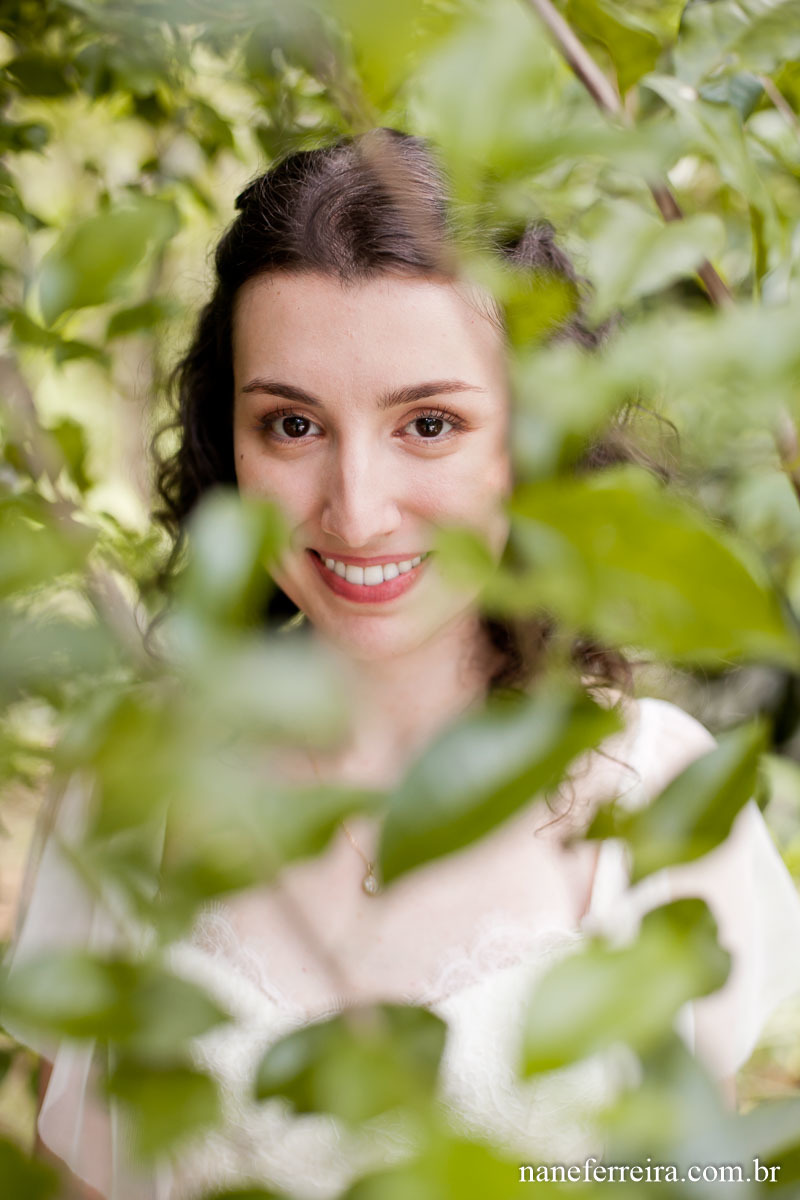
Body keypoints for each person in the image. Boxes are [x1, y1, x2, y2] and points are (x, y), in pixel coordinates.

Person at [7, 127, 800, 1200]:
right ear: (225, 444)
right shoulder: (130, 778)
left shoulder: (655, 798)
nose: (356, 510)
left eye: (427, 423)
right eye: (291, 424)